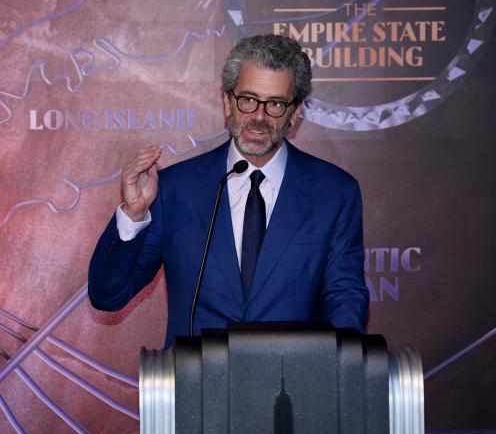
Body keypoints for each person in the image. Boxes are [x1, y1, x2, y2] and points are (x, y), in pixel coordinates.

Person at [88, 34, 369, 347]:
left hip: (295, 390)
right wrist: (133, 215)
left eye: (275, 104)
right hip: (197, 389)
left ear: (296, 110)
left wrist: (333, 374)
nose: (259, 118)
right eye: (248, 99)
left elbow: (345, 300)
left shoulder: (334, 193)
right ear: (227, 101)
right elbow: (107, 296)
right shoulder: (175, 188)